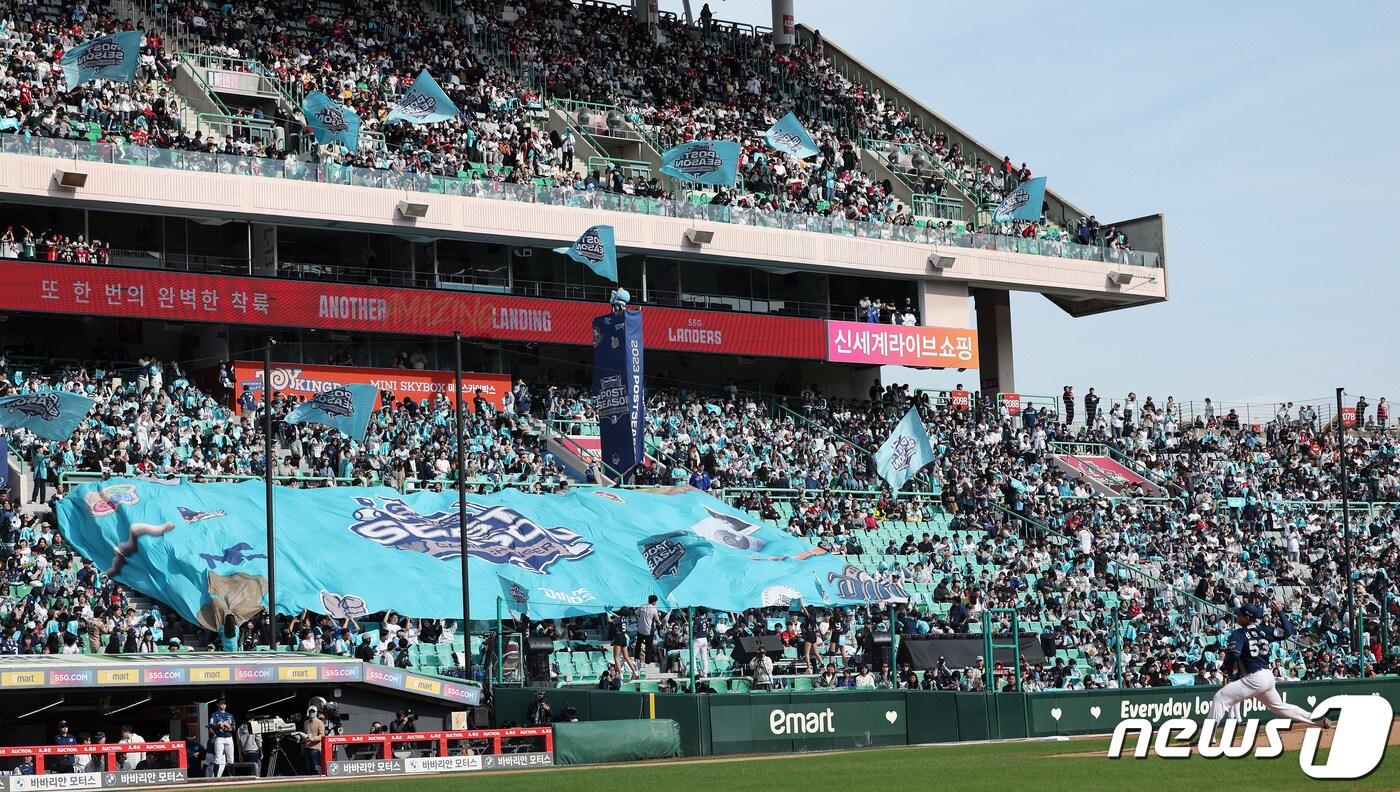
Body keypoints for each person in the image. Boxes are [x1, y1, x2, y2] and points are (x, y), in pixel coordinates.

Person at [1206, 603, 1330, 727]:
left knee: (1220, 697)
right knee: (1278, 707)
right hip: (1267, 675)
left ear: (1247, 617)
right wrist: (1281, 612)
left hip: (1254, 678)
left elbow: (1234, 654)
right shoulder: (1264, 630)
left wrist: (1226, 669)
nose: (1237, 615)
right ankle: (1316, 718)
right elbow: (1288, 632)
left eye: (1240, 614)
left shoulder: (1239, 633)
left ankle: (1208, 735)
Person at [208, 698, 235, 776]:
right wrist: (220, 725)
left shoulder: (230, 715)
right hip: (219, 737)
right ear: (218, 704)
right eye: (222, 703)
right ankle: (216, 777)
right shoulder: (214, 715)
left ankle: (232, 776)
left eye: (225, 703)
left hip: (229, 737)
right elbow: (211, 726)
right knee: (218, 758)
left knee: (230, 758)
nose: (223, 705)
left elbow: (234, 728)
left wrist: (229, 727)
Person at [634, 595, 661, 666]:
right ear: (654, 601)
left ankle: (636, 659)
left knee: (638, 644)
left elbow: (636, 613)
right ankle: (647, 662)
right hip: (649, 631)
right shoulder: (654, 609)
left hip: (640, 629)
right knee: (648, 646)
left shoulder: (642, 606)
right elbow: (657, 620)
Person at [303, 707, 326, 775]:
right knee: (308, 768)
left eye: (313, 711)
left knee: (317, 768)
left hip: (315, 748)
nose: (312, 713)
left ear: (316, 712)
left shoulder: (320, 723)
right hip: (306, 748)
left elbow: (322, 735)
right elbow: (305, 734)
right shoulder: (306, 722)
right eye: (311, 711)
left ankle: (319, 782)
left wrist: (313, 738)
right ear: (308, 712)